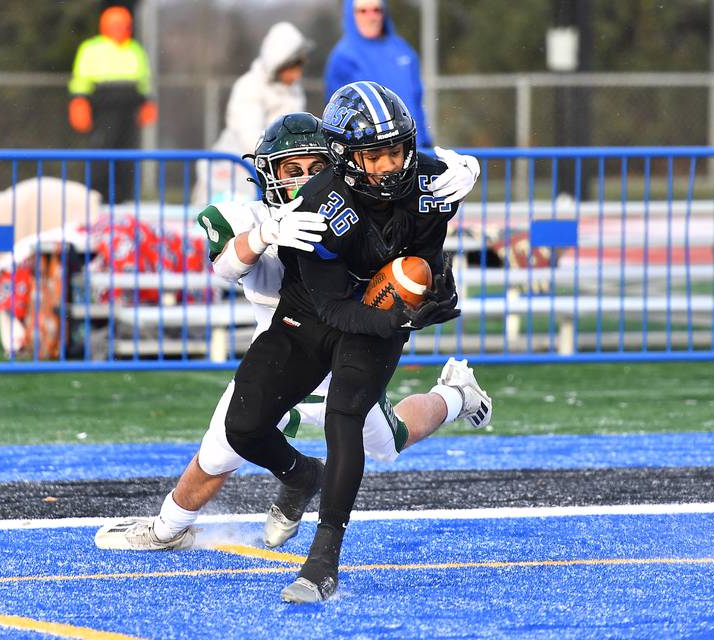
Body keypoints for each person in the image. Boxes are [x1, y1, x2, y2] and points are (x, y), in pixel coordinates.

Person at [94, 111, 490, 557]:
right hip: (285, 348)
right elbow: (226, 265)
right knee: (224, 444)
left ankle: (456, 394)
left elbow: (403, 177)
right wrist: (265, 234)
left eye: (317, 169)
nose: (305, 180)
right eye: (293, 170)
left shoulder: (356, 204)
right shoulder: (247, 215)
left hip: (346, 342)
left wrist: (458, 169)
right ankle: (172, 526)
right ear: (269, 174)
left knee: (386, 443)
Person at [219, 81, 479, 604]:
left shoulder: (428, 180)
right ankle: (302, 475)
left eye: (397, 150)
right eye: (375, 153)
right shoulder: (321, 201)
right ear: (344, 155)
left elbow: (428, 253)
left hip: (375, 313)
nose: (390, 164)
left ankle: (322, 562)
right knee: (241, 426)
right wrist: (397, 321)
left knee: (346, 420)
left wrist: (430, 286)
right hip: (317, 312)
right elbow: (332, 305)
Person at [191, 22, 313, 207]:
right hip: (235, 173)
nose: (297, 74)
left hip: (273, 173)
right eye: (293, 66)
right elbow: (252, 140)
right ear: (279, 64)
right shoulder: (249, 86)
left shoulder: (294, 91)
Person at [68, 5, 157, 204]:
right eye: (116, 24)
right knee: (101, 154)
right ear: (105, 25)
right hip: (103, 109)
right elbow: (81, 80)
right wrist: (78, 102)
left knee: (127, 157)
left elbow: (143, 81)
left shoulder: (135, 49)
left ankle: (123, 198)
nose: (121, 28)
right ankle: (97, 198)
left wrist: (147, 103)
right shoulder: (91, 48)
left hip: (129, 110)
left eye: (124, 25)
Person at [324, 0, 432, 147]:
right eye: (363, 11)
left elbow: (417, 100)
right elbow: (337, 112)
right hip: (371, 150)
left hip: (412, 143)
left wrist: (424, 139)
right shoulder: (343, 56)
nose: (371, 17)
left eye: (376, 10)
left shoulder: (402, 49)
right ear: (351, 14)